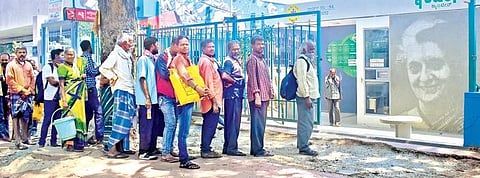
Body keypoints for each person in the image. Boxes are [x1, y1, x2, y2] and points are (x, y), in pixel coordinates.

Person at [399, 18, 463, 133]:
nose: (424, 78)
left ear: (454, 67)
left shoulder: (465, 120)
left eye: (435, 65)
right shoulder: (401, 122)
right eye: (415, 68)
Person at [171, 35, 208, 169]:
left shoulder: (187, 58)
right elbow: (185, 76)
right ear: (176, 46)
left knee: (185, 130)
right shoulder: (179, 59)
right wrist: (198, 88)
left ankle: (184, 155)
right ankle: (184, 160)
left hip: (188, 97)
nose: (185, 47)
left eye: (187, 44)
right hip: (184, 98)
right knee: (184, 131)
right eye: (182, 44)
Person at [100, 33, 136, 159]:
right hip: (121, 89)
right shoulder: (115, 54)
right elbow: (103, 68)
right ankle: (111, 149)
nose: (131, 44)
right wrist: (113, 77)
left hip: (129, 90)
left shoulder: (127, 55)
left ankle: (123, 148)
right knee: (119, 120)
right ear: (123, 43)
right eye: (129, 41)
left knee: (127, 120)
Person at [246, 35, 274, 157]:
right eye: (258, 44)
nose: (261, 46)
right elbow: (252, 79)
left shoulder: (262, 59)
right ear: (252, 45)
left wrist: (270, 91)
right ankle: (258, 150)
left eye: (262, 44)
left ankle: (256, 148)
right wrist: (256, 95)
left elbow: (266, 77)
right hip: (257, 97)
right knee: (257, 124)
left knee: (261, 124)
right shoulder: (252, 59)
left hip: (264, 95)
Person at [135, 37, 161, 160]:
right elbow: (142, 78)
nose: (158, 46)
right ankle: (143, 151)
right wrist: (147, 97)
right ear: (152, 46)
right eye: (157, 44)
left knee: (154, 124)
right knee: (146, 125)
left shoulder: (153, 60)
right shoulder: (143, 60)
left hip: (154, 99)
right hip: (147, 100)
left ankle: (152, 148)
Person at [58, 48, 87, 152]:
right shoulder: (62, 67)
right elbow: (61, 85)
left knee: (79, 119)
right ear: (64, 55)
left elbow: (77, 80)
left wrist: (82, 77)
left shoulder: (76, 67)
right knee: (69, 120)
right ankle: (69, 144)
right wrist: (64, 100)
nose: (71, 56)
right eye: (68, 54)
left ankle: (79, 144)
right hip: (69, 97)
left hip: (78, 98)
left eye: (72, 54)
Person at [6, 47, 35, 149]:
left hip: (28, 94)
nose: (22, 54)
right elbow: (10, 80)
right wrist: (21, 90)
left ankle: (25, 138)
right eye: (20, 52)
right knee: (16, 117)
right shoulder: (11, 65)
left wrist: (30, 90)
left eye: (24, 52)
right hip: (16, 93)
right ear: (16, 53)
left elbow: (32, 78)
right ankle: (17, 141)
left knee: (26, 116)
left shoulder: (28, 65)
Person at [198, 39, 223, 159]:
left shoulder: (210, 61)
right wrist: (214, 102)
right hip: (211, 100)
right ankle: (205, 150)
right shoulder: (206, 63)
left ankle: (206, 148)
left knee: (210, 125)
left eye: (213, 46)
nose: (212, 49)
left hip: (212, 99)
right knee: (209, 125)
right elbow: (208, 83)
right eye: (209, 47)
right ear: (203, 49)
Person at [294, 41, 319, 156]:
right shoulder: (301, 61)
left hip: (308, 96)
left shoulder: (307, 61)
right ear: (304, 50)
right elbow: (302, 80)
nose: (313, 52)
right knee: (306, 123)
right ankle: (304, 147)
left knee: (307, 122)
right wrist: (306, 97)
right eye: (311, 49)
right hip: (305, 97)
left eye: (313, 49)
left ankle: (303, 142)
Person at [222, 40, 246, 156]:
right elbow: (225, 75)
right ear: (229, 50)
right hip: (233, 94)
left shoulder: (235, 61)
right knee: (233, 121)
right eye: (234, 49)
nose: (236, 51)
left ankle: (227, 147)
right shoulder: (229, 61)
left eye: (237, 49)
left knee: (230, 121)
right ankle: (232, 148)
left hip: (235, 94)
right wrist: (235, 82)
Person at [156, 37, 179, 163]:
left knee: (173, 123)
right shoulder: (163, 57)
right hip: (164, 96)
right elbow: (164, 74)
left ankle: (169, 148)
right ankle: (165, 152)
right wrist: (176, 72)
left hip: (174, 96)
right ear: (174, 45)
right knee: (170, 123)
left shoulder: (176, 57)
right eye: (180, 45)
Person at [80, 40, 104, 145]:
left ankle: (83, 136)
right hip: (90, 88)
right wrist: (101, 67)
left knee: (87, 114)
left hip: (84, 90)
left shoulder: (80, 58)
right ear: (89, 47)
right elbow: (92, 72)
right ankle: (99, 136)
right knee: (98, 112)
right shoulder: (88, 57)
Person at [38, 49, 64, 148]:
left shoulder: (61, 68)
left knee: (57, 121)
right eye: (61, 55)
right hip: (49, 98)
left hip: (59, 98)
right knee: (47, 120)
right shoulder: (48, 67)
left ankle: (54, 141)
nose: (63, 57)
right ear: (56, 56)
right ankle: (41, 142)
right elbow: (52, 82)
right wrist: (61, 82)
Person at [0, 53, 10, 142]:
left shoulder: (10, 69)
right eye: (2, 60)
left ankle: (6, 134)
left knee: (7, 115)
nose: (4, 62)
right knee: (1, 115)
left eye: (6, 60)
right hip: (0, 95)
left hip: (8, 95)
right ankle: (3, 134)